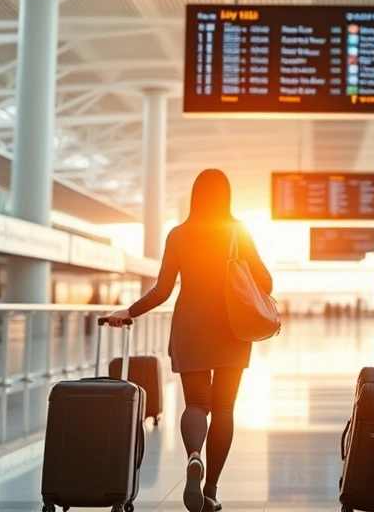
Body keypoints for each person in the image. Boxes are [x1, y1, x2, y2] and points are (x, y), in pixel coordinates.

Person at [106, 169, 272, 512]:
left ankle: (194, 456)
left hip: (190, 325)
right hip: (232, 327)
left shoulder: (179, 234)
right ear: (226, 196)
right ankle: (210, 490)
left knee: (197, 403)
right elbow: (265, 281)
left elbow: (163, 289)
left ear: (196, 196)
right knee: (224, 408)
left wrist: (130, 311)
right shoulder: (239, 231)